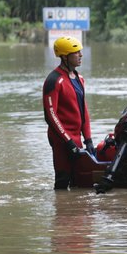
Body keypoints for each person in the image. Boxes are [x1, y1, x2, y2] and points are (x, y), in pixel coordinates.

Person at [43, 36, 94, 189]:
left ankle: (75, 211)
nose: (80, 55)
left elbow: (83, 110)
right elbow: (50, 115)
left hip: (76, 138)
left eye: (80, 52)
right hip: (61, 139)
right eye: (75, 52)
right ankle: (62, 210)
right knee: (62, 180)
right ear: (65, 56)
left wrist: (89, 139)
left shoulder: (80, 79)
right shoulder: (54, 80)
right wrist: (67, 141)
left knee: (80, 181)